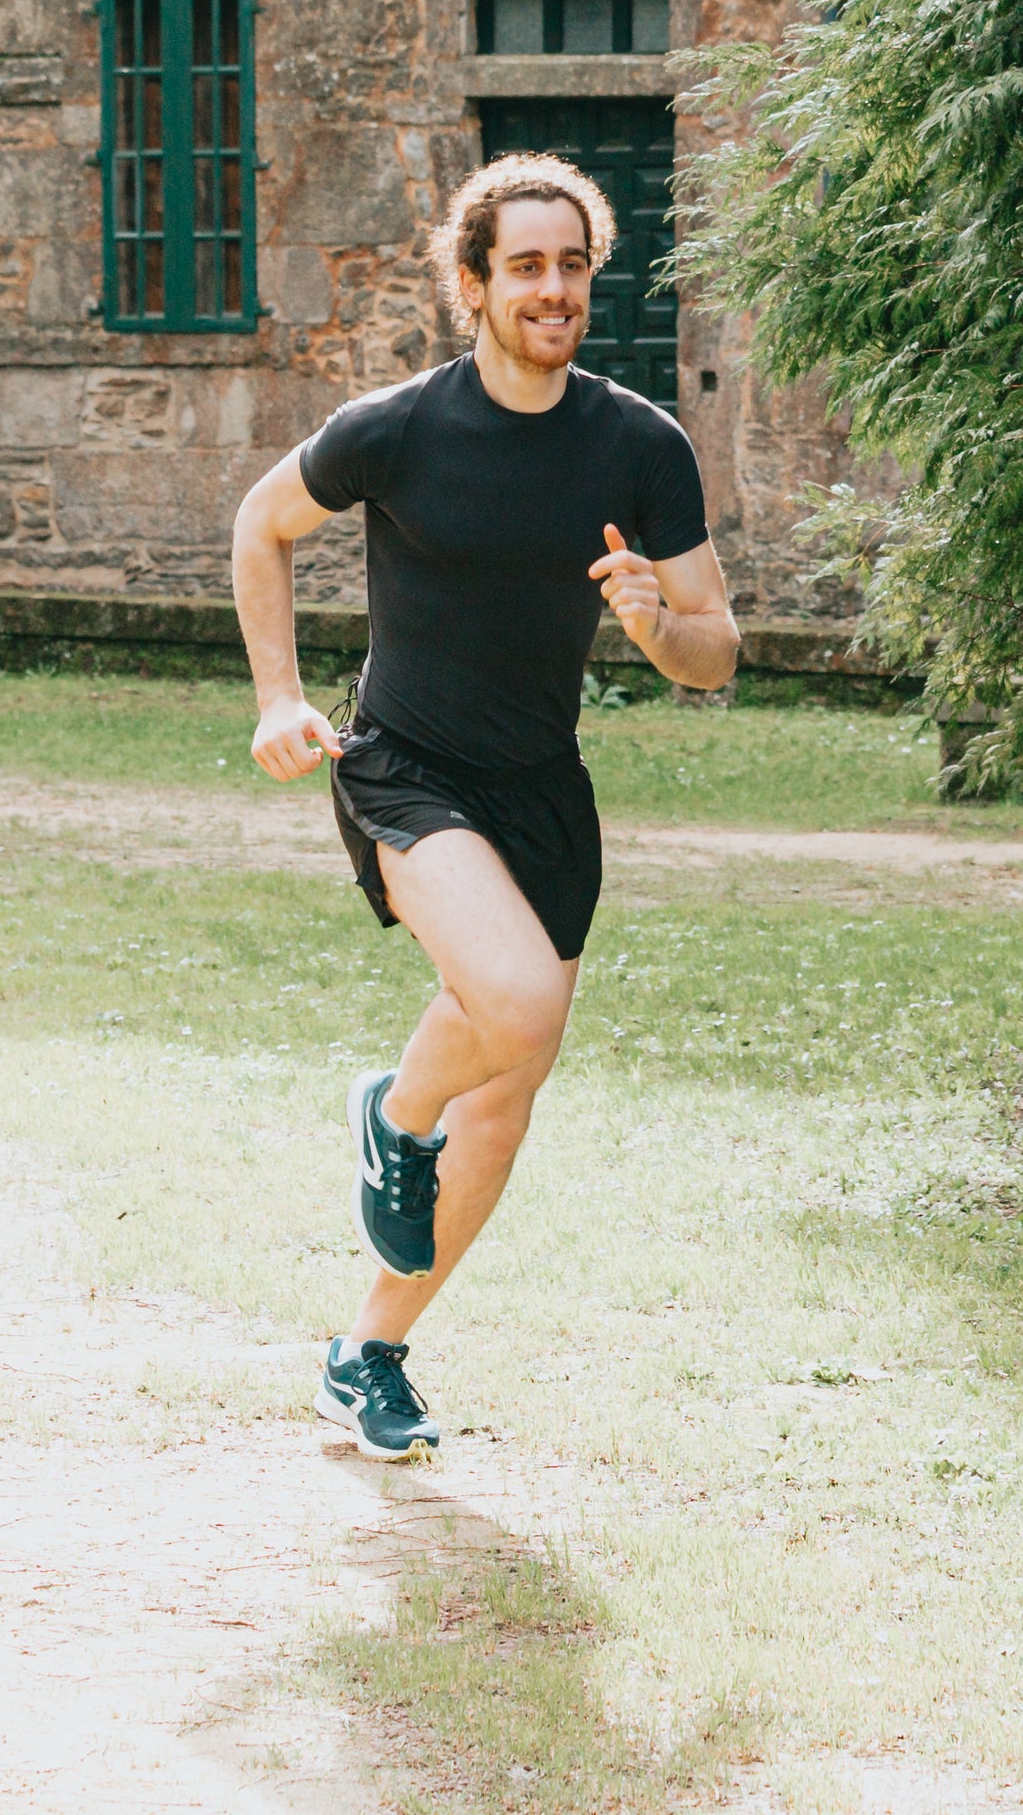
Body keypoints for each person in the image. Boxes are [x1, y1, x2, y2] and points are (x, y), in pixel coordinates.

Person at [228, 152, 739, 1463]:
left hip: (543, 796)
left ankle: (371, 1351)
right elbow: (259, 525)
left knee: (507, 1094)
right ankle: (394, 1114)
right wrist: (280, 697)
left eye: (572, 266)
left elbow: (717, 650)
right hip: (407, 767)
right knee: (514, 1005)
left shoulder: (639, 444)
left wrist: (657, 625)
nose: (553, 289)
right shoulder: (396, 427)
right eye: (525, 267)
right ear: (474, 285)